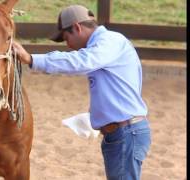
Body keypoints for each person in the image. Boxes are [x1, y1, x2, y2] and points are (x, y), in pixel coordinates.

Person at [12, 5, 151, 180]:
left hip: (125, 132)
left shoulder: (110, 41)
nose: (68, 45)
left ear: (77, 27)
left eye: (66, 37)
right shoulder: (108, 44)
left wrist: (32, 59)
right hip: (123, 132)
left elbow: (82, 61)